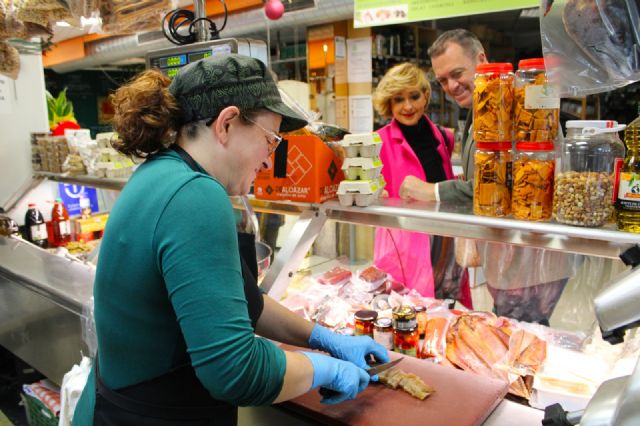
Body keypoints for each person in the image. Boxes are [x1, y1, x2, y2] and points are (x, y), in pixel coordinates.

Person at [72, 55, 388, 426]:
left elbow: (239, 300)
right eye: (270, 141)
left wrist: (322, 337)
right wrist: (323, 369)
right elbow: (236, 371)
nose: (270, 160)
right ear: (226, 124)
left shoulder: (163, 172)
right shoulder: (195, 197)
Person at [401, 29, 578, 324]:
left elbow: (496, 187)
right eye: (443, 80)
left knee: (521, 341)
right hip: (507, 262)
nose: (451, 85)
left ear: (481, 59)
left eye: (457, 73)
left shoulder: (519, 100)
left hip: (530, 263)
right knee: (507, 332)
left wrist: (432, 191)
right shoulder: (477, 109)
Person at [372, 62, 472, 308]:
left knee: (445, 305)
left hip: (444, 237)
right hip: (404, 243)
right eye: (398, 99)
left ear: (425, 96)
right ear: (389, 104)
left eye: (414, 96)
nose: (407, 106)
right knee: (409, 312)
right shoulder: (378, 142)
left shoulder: (443, 136)